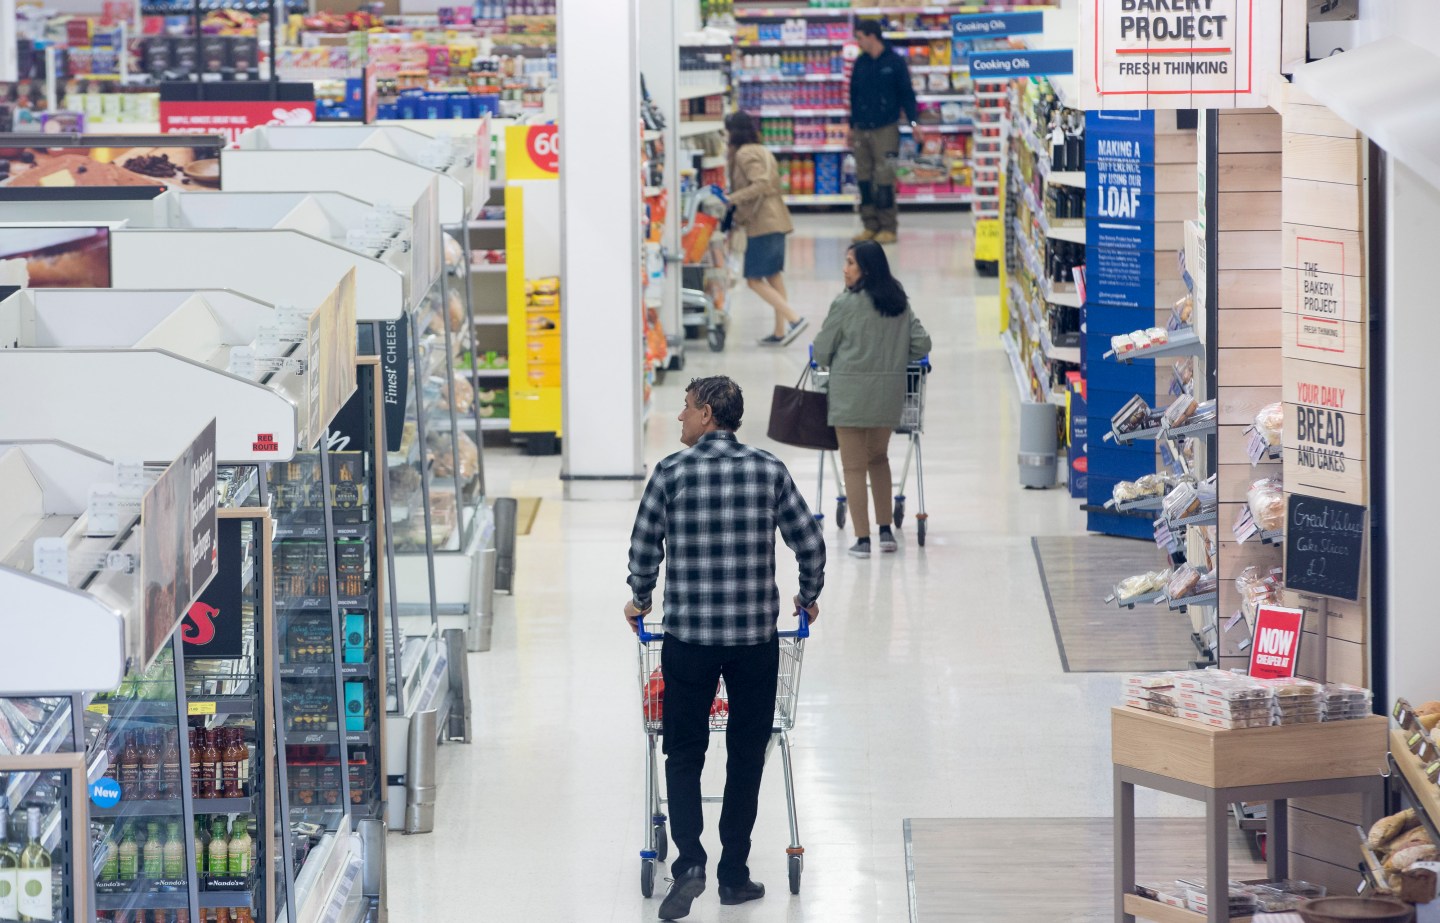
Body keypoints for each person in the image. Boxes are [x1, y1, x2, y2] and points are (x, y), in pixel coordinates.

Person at [625, 376, 825, 921]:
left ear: (708, 413)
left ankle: (690, 863)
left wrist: (639, 600)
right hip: (754, 643)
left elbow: (644, 550)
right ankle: (733, 876)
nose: (679, 417)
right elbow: (809, 542)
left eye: (686, 408)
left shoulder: (670, 472)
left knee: (683, 752)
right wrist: (807, 597)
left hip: (688, 641)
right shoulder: (768, 469)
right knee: (745, 756)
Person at [812, 240, 932, 559]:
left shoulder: (844, 305)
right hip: (887, 398)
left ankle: (862, 539)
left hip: (849, 399)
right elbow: (922, 344)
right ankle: (886, 532)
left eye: (850, 262)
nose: (844, 268)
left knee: (853, 468)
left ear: (865, 269)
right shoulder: (898, 304)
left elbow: (822, 351)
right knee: (879, 459)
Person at [724, 111, 808, 346]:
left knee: (753, 279)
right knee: (773, 276)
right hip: (776, 219)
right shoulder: (761, 149)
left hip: (762, 222)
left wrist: (733, 198)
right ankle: (780, 331)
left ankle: (794, 319)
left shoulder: (744, 153)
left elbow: (760, 183)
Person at [848, 19, 921, 245]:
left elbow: (907, 95)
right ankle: (870, 225)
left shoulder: (895, 62)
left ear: (872, 36)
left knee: (885, 178)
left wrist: (914, 124)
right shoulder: (860, 63)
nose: (857, 42)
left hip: (886, 129)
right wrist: (851, 126)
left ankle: (888, 227)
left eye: (859, 37)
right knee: (863, 178)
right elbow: (853, 96)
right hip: (861, 129)